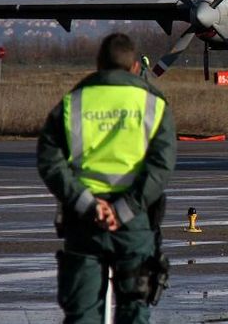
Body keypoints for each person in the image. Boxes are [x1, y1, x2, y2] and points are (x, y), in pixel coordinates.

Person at [37, 33, 176, 323]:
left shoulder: (73, 103)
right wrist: (124, 209)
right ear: (136, 67)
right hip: (134, 222)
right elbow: (161, 165)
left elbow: (49, 158)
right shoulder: (153, 105)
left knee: (82, 313)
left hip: (84, 220)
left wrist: (87, 204)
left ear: (98, 64)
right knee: (135, 309)